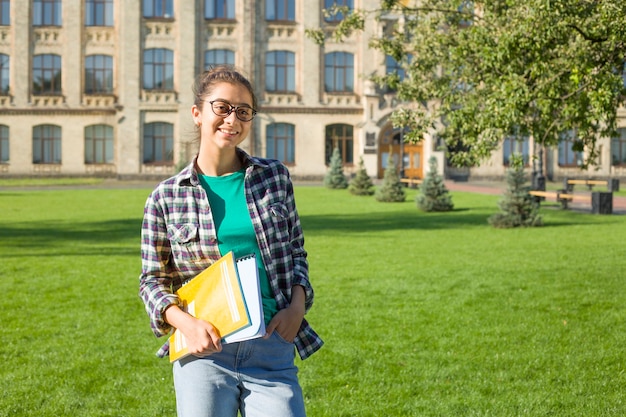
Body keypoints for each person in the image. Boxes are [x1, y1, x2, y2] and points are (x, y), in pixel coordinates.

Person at [139, 65, 323, 417]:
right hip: (203, 351)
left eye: (243, 111)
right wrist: (187, 325)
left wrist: (297, 308)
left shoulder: (274, 178)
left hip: (271, 345)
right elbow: (152, 282)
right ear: (197, 113)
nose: (232, 119)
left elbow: (296, 251)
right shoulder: (165, 197)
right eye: (221, 107)